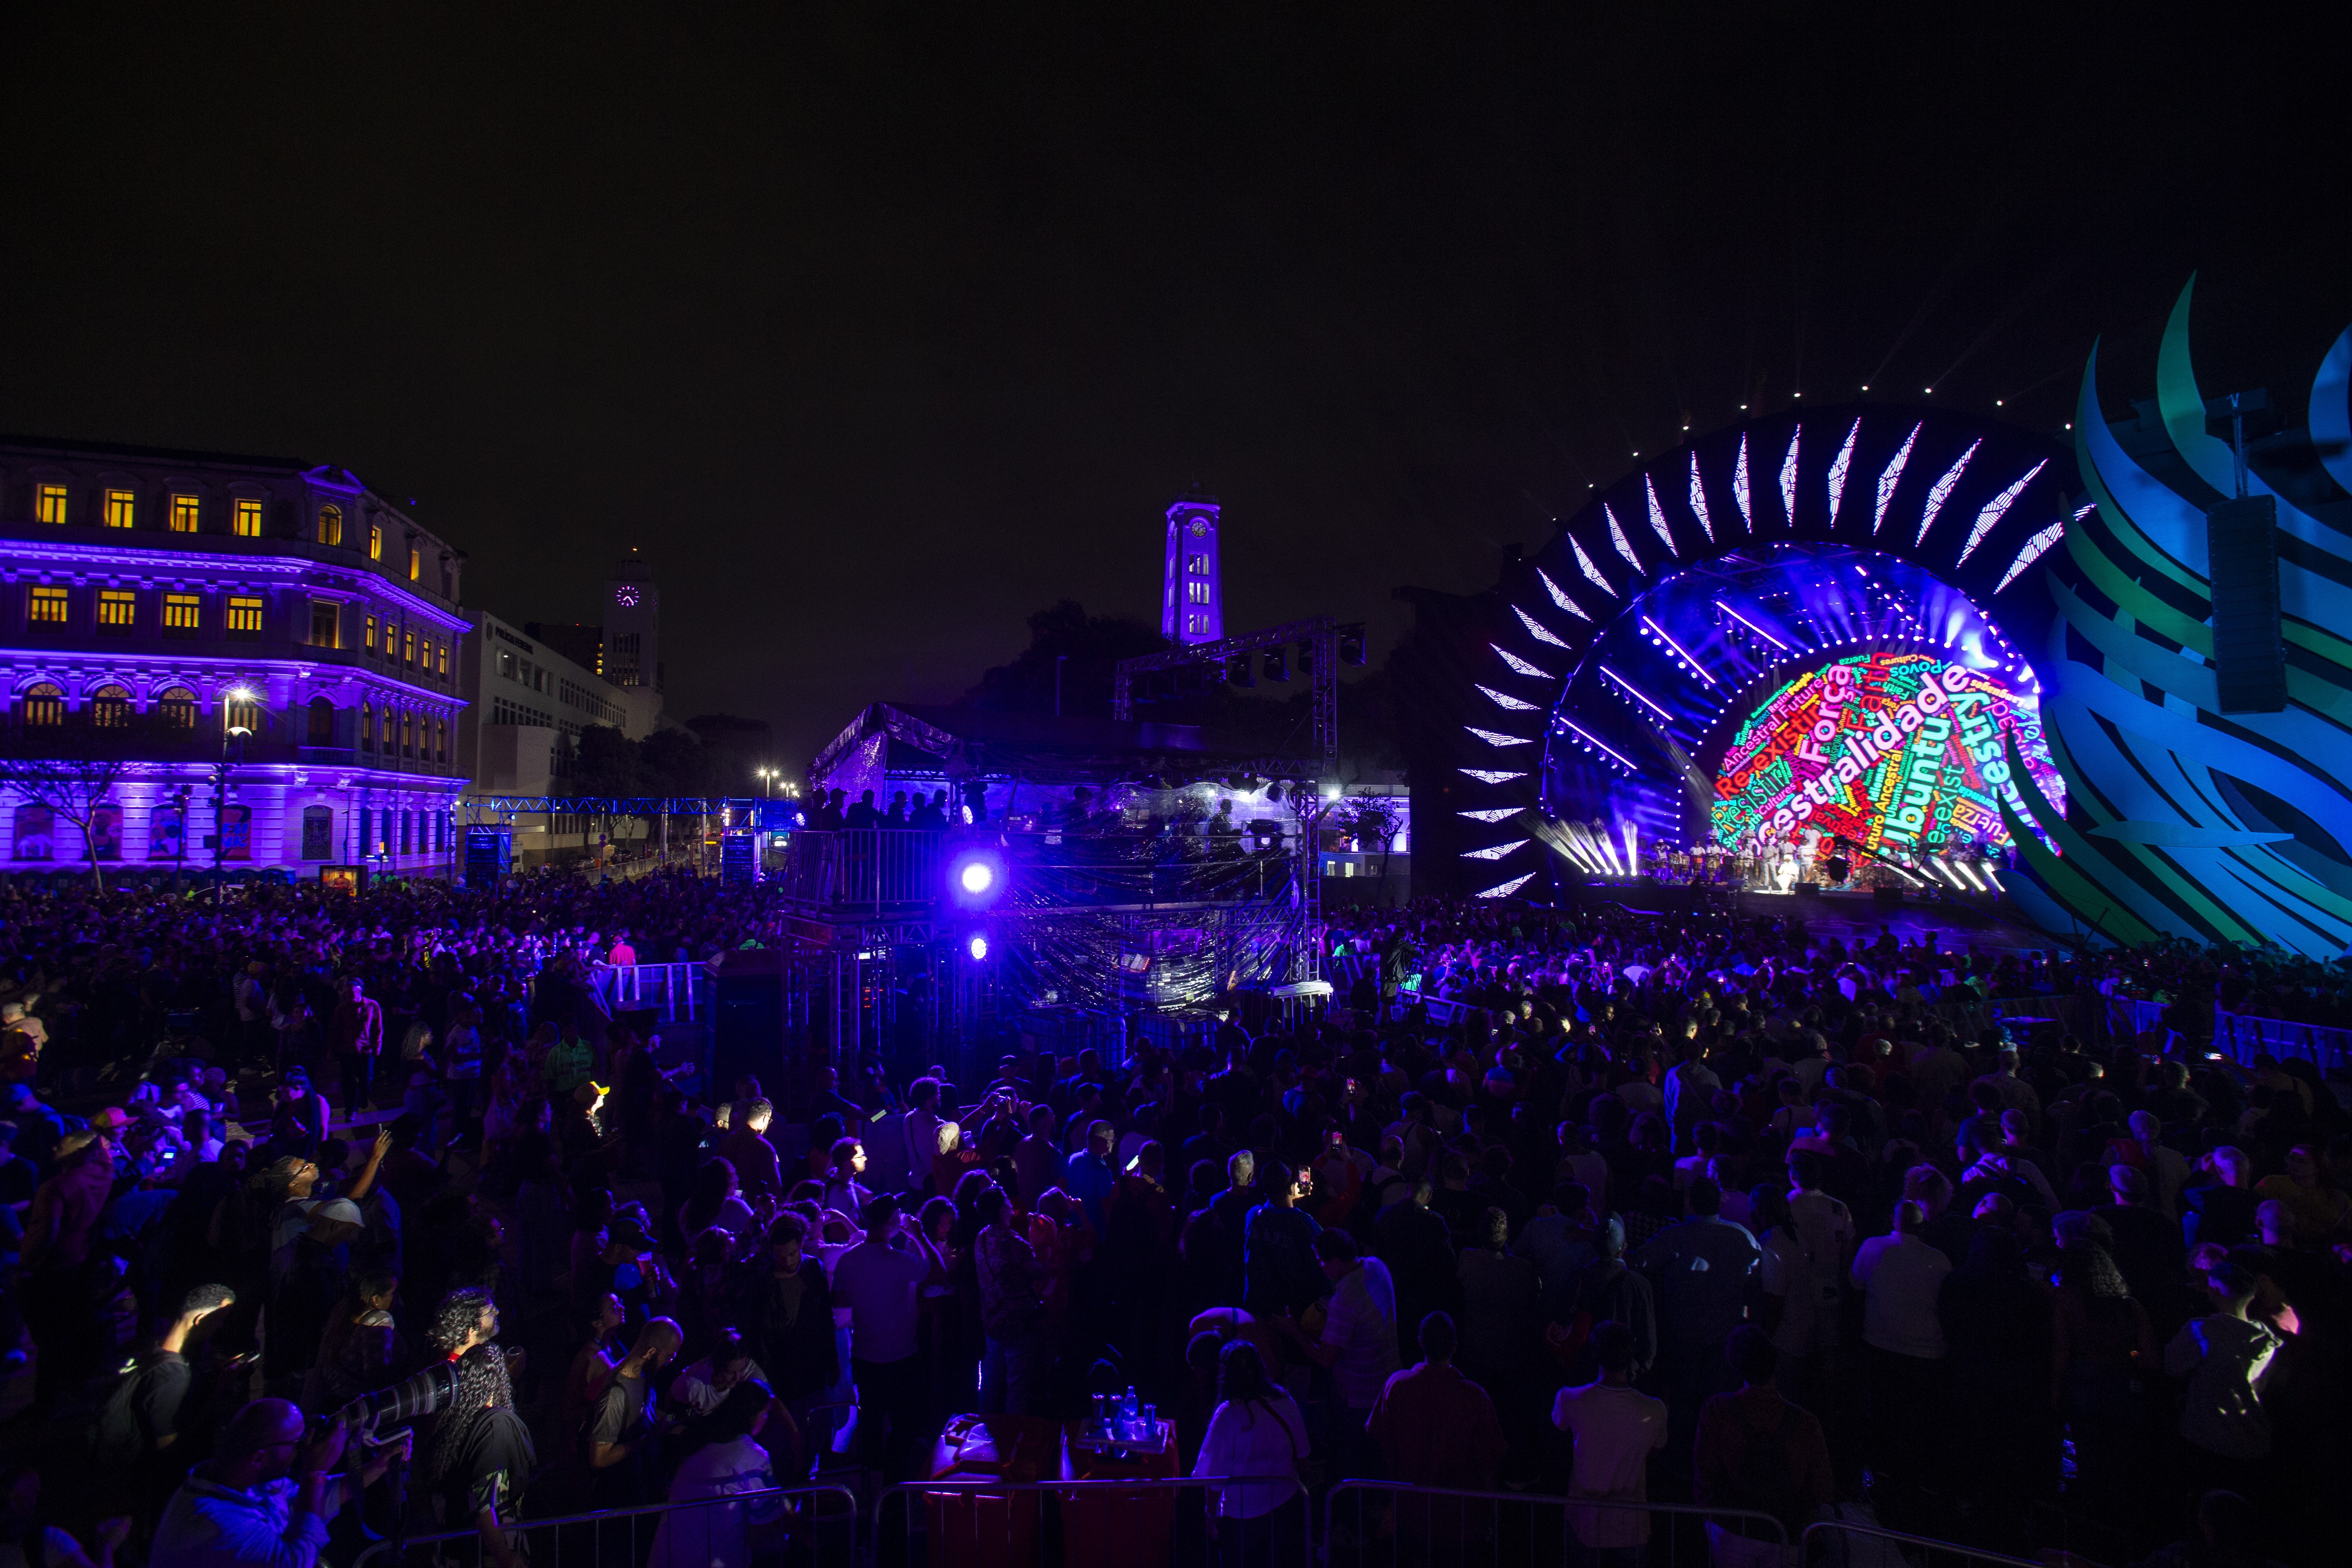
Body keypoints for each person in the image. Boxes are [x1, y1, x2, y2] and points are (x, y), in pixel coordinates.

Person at [150, 1397, 408, 1568]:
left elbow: (315, 1503)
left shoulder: (249, 1481)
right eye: (296, 1443)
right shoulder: (215, 1521)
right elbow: (296, 1562)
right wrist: (314, 1473)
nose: (305, 1447)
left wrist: (378, 1467)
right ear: (260, 1456)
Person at [1694, 1326, 1834, 1564]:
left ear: (1734, 1364)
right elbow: (1824, 1491)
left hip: (1731, 1530)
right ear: (1775, 1362)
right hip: (1786, 1536)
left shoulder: (1718, 1409)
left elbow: (1703, 1476)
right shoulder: (1806, 1423)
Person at [832, 1194, 947, 1482]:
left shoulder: (848, 1259)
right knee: (902, 1422)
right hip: (901, 1356)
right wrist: (920, 1236)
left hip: (864, 1355)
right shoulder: (899, 1261)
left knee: (870, 1420)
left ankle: (873, 1481)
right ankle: (894, 1485)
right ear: (893, 1222)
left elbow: (839, 1303)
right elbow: (940, 1272)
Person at [417, 1290, 533, 1568]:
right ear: (470, 1329)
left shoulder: (473, 1366)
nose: (497, 1314)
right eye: (489, 1313)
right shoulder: (451, 1379)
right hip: (467, 1517)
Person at [1277, 1230, 1397, 1476]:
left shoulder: (1345, 1301)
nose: (1321, 1267)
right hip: (1387, 1379)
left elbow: (1326, 1359)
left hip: (1358, 1395)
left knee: (1353, 1457)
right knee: (1380, 1457)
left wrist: (1294, 1331)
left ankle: (1349, 1505)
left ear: (1335, 1261)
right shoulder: (1376, 1266)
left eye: (1321, 1261)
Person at [1849, 1197, 1950, 1485]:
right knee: (1917, 1416)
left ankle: (1883, 1471)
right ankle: (1913, 1475)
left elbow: (1856, 1285)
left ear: (1894, 1221)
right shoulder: (1939, 1260)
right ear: (1923, 1225)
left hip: (1880, 1342)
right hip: (1926, 1352)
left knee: (1883, 1410)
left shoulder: (1872, 1246)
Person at [1552, 1319, 1668, 1568]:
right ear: (1631, 1355)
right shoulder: (1654, 1409)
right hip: (1632, 1524)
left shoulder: (1569, 1399)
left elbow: (1559, 1427)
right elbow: (1657, 1451)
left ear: (1595, 1354)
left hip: (1585, 1519)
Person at [2163, 1263, 2280, 1496]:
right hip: (2252, 1442)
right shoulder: (2268, 1340)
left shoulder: (2202, 1330)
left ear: (2214, 1291)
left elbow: (2171, 1367)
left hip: (2208, 1438)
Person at [1190, 1341, 1308, 1568]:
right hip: (1287, 1503)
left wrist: (1211, 1516)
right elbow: (1303, 1455)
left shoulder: (1228, 1414)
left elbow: (1212, 1478)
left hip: (1244, 1516)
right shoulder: (1285, 1402)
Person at [647, 1380, 787, 1568]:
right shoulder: (751, 1457)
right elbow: (769, 1518)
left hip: (668, 1558)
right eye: (765, 1413)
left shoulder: (699, 1441)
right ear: (755, 1416)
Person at [740, 1215, 838, 1475]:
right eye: (781, 1256)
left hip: (813, 1370)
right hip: (783, 1376)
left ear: (802, 1244)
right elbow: (759, 1335)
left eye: (793, 1254)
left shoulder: (813, 1269)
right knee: (786, 1443)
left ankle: (810, 1487)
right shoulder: (763, 1282)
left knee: (814, 1432)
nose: (788, 1261)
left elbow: (826, 1318)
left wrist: (832, 1361)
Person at [1365, 1311, 1506, 1490]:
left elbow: (1380, 1442)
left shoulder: (1396, 1385)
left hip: (1408, 1503)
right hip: (1460, 1507)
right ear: (1454, 1347)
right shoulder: (1475, 1396)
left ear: (1420, 1342)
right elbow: (1491, 1458)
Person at [586, 1317, 684, 1508]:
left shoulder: (645, 1375)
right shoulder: (616, 1394)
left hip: (640, 1488)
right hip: (619, 1499)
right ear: (651, 1352)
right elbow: (599, 1458)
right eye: (669, 1356)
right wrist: (648, 1438)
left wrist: (671, 1422)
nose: (670, 1362)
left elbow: (644, 1412)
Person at [970, 1184, 1049, 1416]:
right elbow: (1040, 1272)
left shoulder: (981, 1237)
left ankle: (982, 1428)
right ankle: (1013, 1439)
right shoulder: (1015, 1243)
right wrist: (1040, 1242)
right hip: (1018, 1323)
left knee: (991, 1380)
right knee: (1017, 1385)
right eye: (1006, 1200)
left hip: (992, 1320)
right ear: (1003, 1210)